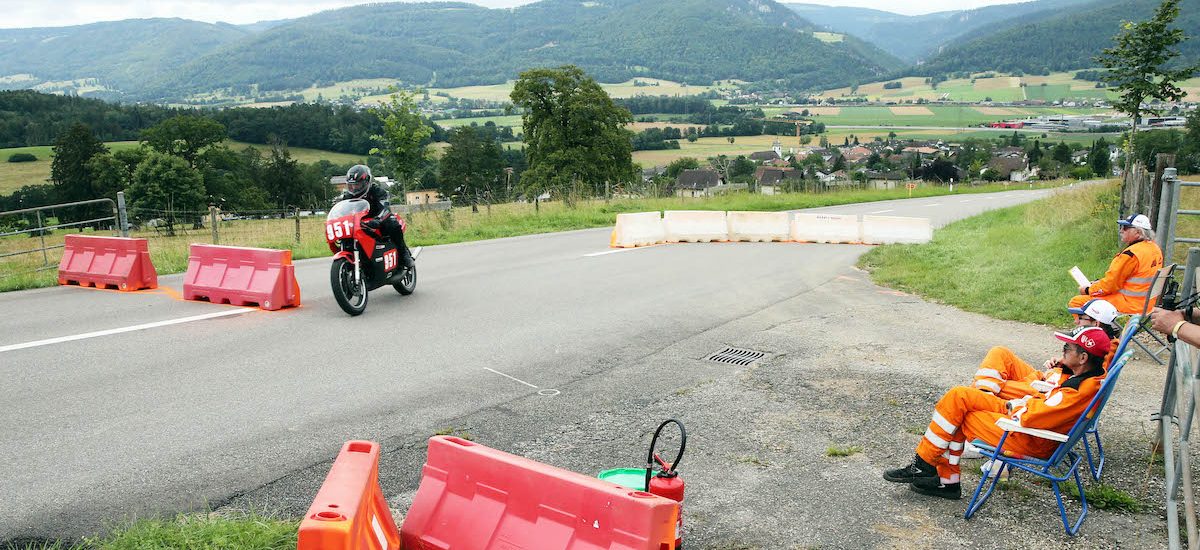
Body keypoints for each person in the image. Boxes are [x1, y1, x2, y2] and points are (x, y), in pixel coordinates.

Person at [884, 326, 1112, 500]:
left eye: (1067, 349)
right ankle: (941, 477)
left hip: (1027, 435)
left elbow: (1032, 417)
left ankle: (934, 473)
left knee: (958, 411)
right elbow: (1044, 406)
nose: (1062, 351)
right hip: (1028, 420)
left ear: (1083, 358)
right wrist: (1061, 369)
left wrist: (1016, 403)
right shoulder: (1088, 379)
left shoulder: (1075, 391)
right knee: (958, 397)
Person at [970, 299, 1119, 400]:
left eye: (1081, 318)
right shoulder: (1100, 344)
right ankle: (979, 398)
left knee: (985, 387)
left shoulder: (1104, 351)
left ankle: (977, 403)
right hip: (1045, 378)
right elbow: (1080, 368)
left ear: (1096, 324)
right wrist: (1063, 362)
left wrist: (1064, 366)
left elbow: (1081, 380)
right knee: (1000, 352)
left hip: (1045, 389)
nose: (1076, 321)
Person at [1068, 214, 1163, 314]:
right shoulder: (1154, 248)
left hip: (1131, 304)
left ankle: (1093, 330)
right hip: (1148, 303)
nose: (1121, 230)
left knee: (1076, 302)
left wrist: (1088, 290)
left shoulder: (1131, 255)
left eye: (1125, 228)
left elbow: (1110, 285)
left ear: (1138, 232)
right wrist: (1097, 284)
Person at [334, 165, 414, 268]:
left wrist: (378, 219)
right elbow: (341, 211)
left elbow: (385, 207)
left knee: (393, 223)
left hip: (377, 220)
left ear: (366, 182)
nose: (354, 188)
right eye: (351, 185)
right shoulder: (347, 197)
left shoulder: (377, 191)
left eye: (357, 185)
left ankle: (404, 254)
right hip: (359, 223)